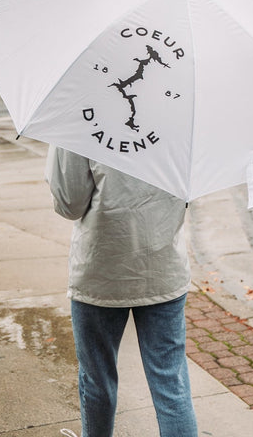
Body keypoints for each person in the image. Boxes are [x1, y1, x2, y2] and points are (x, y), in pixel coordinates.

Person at [46, 146, 198, 437]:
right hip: (162, 267)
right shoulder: (183, 112)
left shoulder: (78, 112)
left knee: (97, 380)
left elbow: (69, 203)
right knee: (171, 385)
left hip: (101, 270)